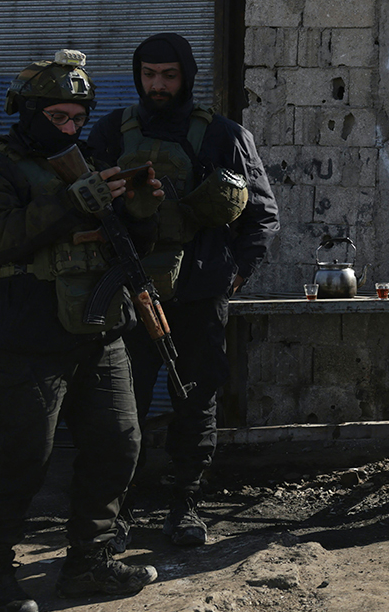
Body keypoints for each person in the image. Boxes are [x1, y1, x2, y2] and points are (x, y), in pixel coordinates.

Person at [0, 50, 161, 612]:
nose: (70, 128)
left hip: (97, 331)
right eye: (57, 118)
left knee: (119, 443)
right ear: (26, 112)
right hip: (25, 334)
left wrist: (141, 210)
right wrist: (69, 201)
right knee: (24, 456)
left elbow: (125, 242)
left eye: (77, 117)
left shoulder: (92, 161)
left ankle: (88, 562)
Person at [88, 33, 280, 549]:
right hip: (127, 296)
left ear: (186, 77)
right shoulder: (110, 132)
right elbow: (81, 209)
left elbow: (261, 215)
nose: (157, 85)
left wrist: (232, 274)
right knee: (118, 408)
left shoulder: (224, 135)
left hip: (197, 299)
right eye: (149, 75)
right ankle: (114, 514)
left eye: (168, 76)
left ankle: (185, 505)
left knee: (196, 403)